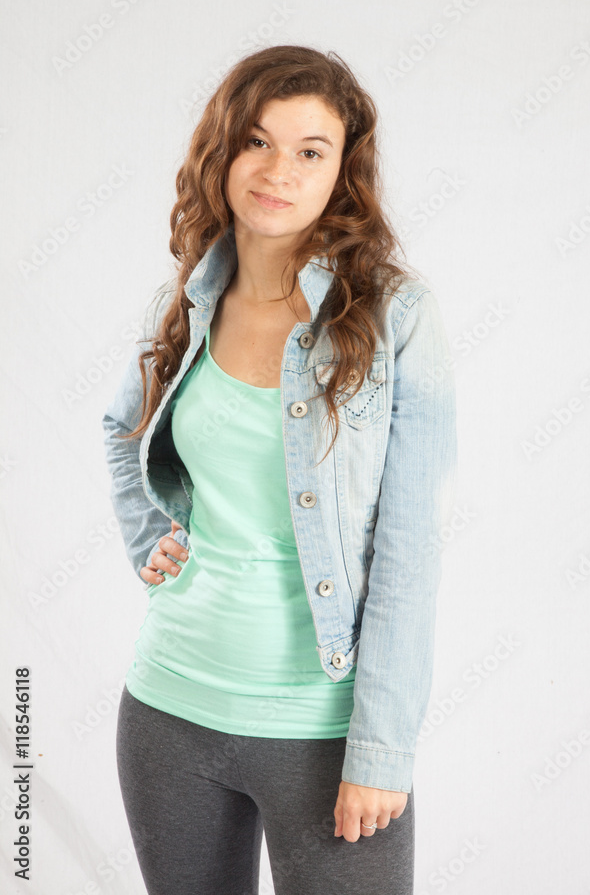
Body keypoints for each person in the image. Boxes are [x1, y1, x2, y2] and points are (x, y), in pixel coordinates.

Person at [102, 44, 457, 895]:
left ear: (342, 173)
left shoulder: (394, 318)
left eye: (310, 151)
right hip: (168, 710)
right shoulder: (187, 300)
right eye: (257, 141)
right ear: (222, 150)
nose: (277, 171)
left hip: (323, 728)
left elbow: (410, 546)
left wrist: (381, 750)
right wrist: (153, 538)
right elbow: (121, 429)